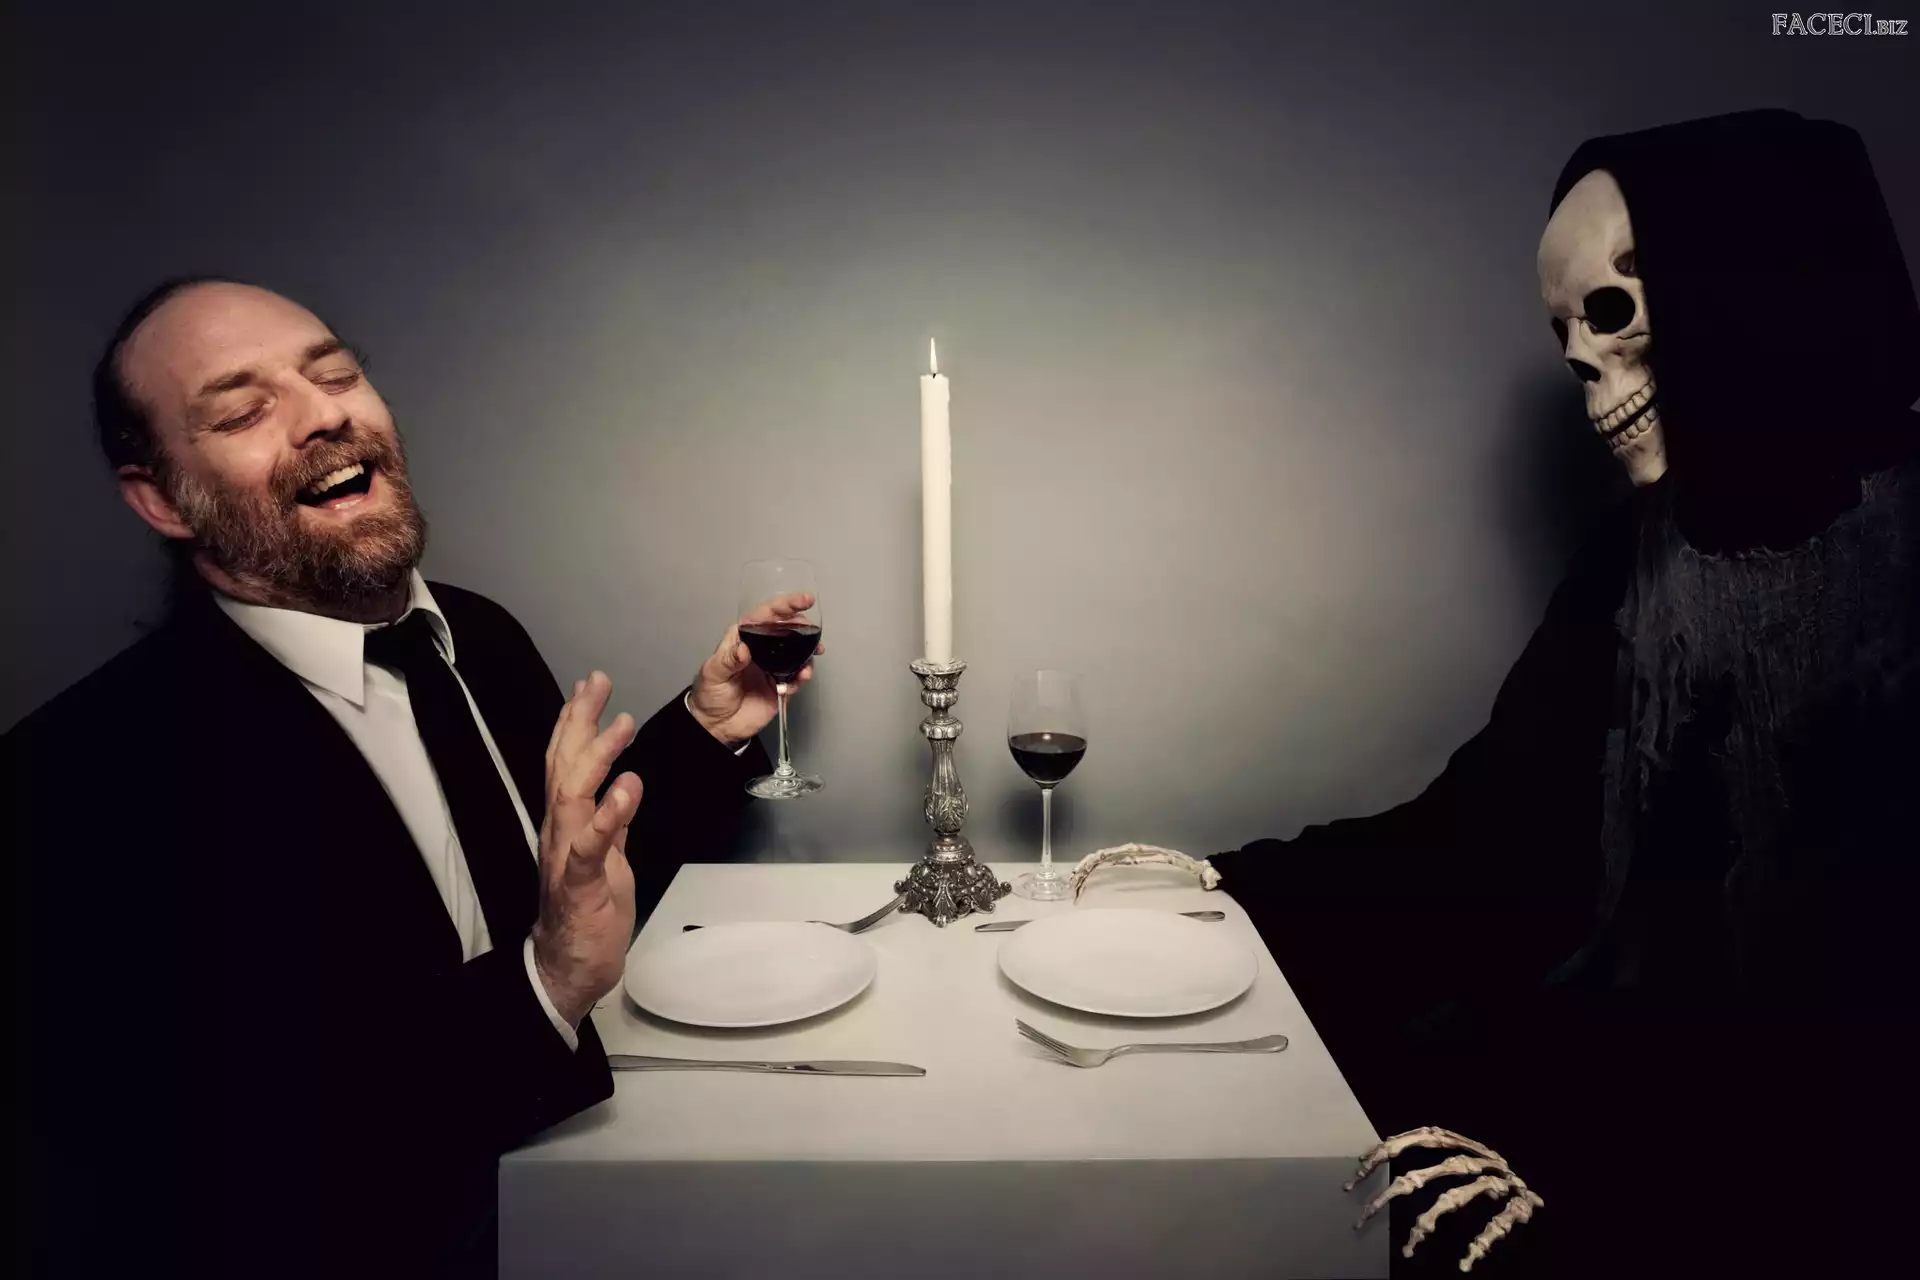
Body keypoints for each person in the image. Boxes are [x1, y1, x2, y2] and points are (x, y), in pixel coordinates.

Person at [1211, 111, 1918, 1276]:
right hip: (1609, 1087)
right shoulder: (1635, 553)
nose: (1584, 361)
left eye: (1615, 306)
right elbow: (1489, 827)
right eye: (1564, 332)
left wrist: (1601, 1190)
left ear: (1749, 281)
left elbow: (1864, 1028)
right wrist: (1233, 884)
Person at [7, 278, 818, 1275]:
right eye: (245, 410)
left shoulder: (478, 634)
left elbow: (575, 888)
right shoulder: (77, 782)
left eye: (336, 373)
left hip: (589, 1197)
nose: (323, 414)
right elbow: (230, 1154)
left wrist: (704, 727)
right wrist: (549, 983)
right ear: (162, 497)